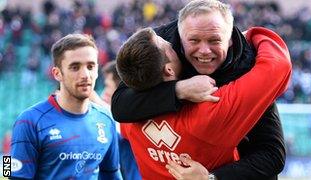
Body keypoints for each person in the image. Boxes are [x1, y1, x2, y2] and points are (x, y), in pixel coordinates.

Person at [111, 0, 286, 179]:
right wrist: (180, 90)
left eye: (214, 40)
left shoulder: (245, 68)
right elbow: (119, 105)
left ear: (231, 39)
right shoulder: (159, 45)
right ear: (179, 36)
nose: (204, 50)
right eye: (194, 40)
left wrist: (212, 177)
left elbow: (272, 154)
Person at [10, 34, 122, 179]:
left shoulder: (106, 119)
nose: (85, 75)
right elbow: (9, 170)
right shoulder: (28, 121)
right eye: (75, 67)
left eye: (90, 66)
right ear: (57, 74)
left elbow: (112, 174)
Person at [101, 61, 142, 180]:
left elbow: (116, 120)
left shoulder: (135, 118)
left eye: (108, 86)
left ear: (120, 89)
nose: (104, 93)